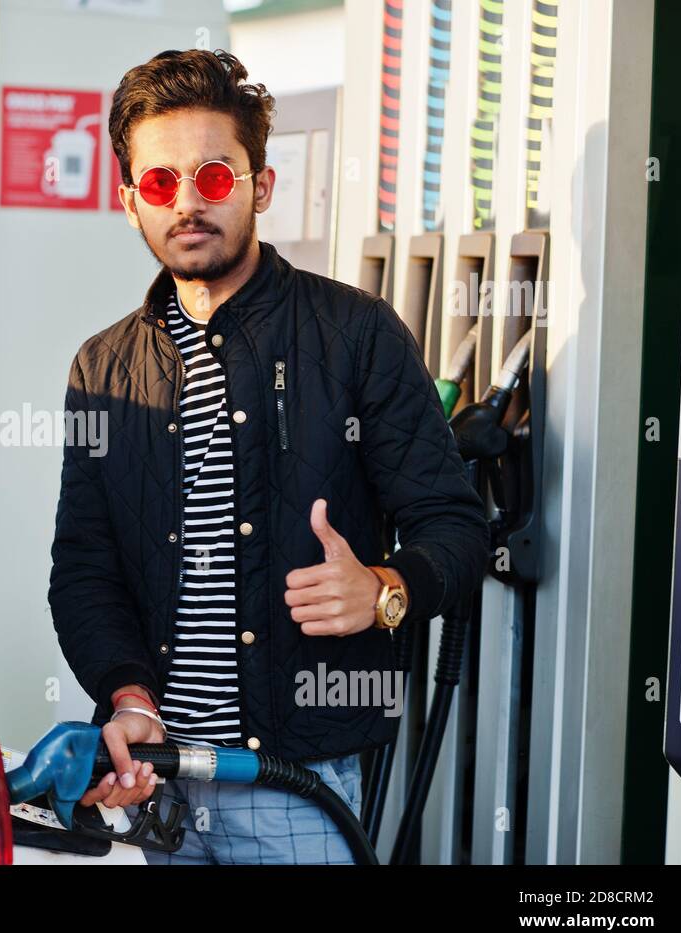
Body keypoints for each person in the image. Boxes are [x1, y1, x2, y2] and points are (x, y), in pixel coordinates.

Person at [46, 48, 490, 864]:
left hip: (298, 784)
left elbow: (458, 527)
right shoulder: (101, 369)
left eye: (215, 177)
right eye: (159, 183)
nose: (186, 202)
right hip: (163, 785)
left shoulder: (356, 335)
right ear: (128, 201)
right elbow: (83, 567)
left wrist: (384, 591)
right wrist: (128, 693)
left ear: (261, 185)